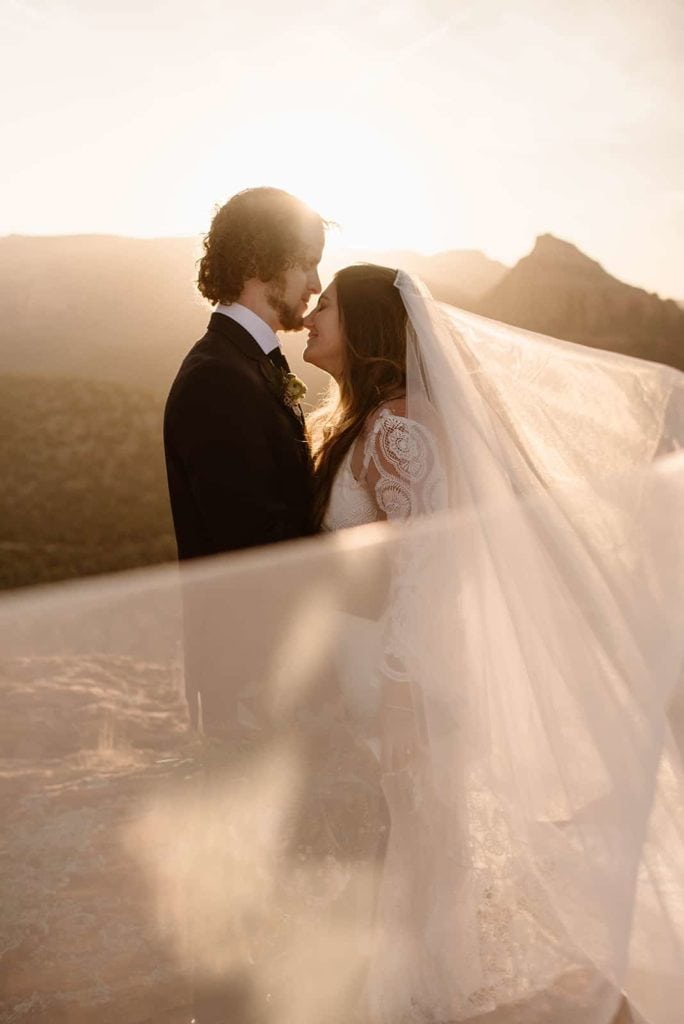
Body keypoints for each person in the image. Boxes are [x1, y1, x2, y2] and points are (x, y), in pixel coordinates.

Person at [300, 263, 684, 1023]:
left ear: (369, 326)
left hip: (398, 674)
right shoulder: (376, 420)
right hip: (378, 666)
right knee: (423, 854)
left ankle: (438, 1001)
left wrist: (403, 689)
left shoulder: (398, 427)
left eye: (329, 304)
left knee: (426, 854)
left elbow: (432, 564)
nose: (311, 313)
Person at [164, 187, 326, 732]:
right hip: (254, 683)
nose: (316, 285)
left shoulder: (244, 363)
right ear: (263, 262)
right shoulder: (217, 378)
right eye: (308, 264)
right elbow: (254, 546)